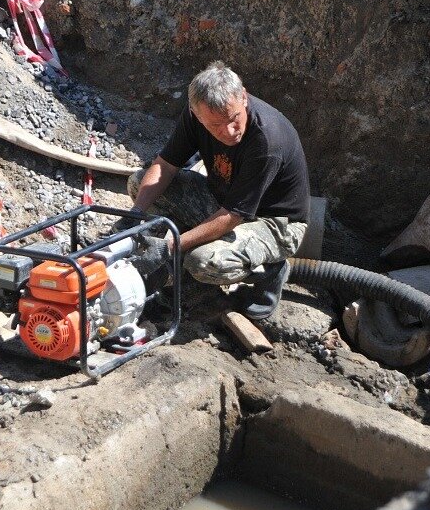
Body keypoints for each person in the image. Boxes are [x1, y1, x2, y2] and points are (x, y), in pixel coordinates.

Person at [114, 61, 310, 320]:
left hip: (275, 223)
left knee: (203, 262)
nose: (229, 131)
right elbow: (165, 165)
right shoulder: (196, 115)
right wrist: (135, 214)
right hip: (225, 199)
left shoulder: (266, 140)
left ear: (244, 96)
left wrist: (169, 246)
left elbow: (232, 216)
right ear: (197, 115)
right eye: (216, 126)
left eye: (234, 119)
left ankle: (270, 270)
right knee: (140, 183)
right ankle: (191, 283)